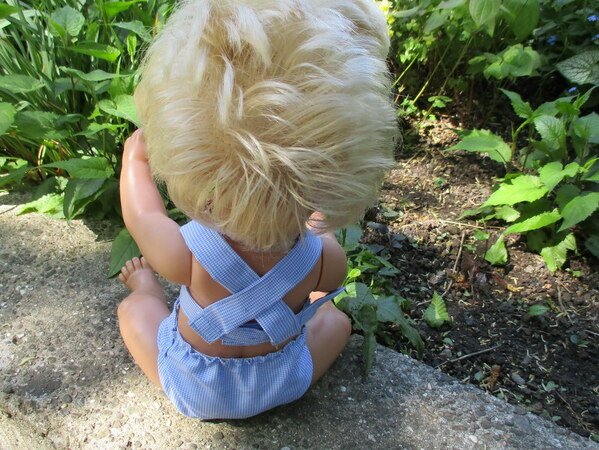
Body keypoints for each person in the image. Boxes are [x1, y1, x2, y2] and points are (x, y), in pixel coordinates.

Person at [117, 0, 397, 419]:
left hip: (196, 390)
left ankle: (145, 291)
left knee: (133, 311)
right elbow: (330, 276)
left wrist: (134, 159)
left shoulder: (187, 257)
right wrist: (313, 244)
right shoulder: (323, 258)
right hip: (284, 379)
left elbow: (144, 217)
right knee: (336, 322)